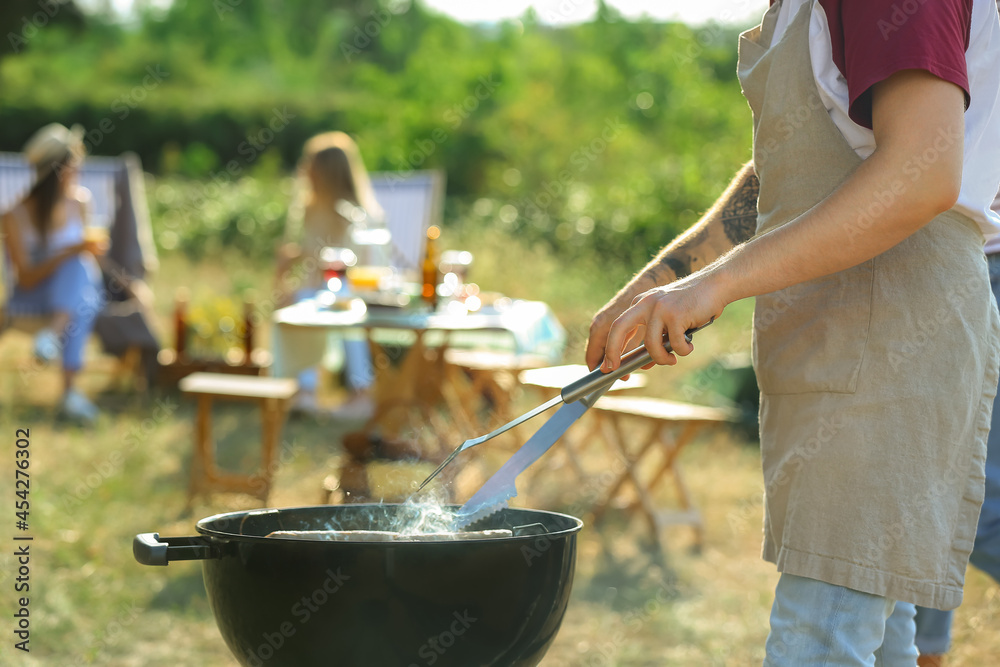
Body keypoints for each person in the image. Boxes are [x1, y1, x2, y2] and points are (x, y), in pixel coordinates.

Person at [586, 1, 1000, 663]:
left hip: (888, 346)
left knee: (819, 641)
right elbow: (802, 163)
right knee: (881, 639)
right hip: (836, 347)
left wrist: (712, 286)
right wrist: (672, 274)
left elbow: (922, 169)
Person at [911, 191, 1000, 667]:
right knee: (929, 498)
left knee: (976, 506)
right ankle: (923, 654)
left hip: (978, 267)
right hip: (931, 266)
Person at [1, 123, 107, 423]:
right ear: (56, 170)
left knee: (80, 277)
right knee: (80, 287)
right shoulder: (14, 215)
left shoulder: (82, 202)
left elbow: (93, 258)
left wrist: (81, 253)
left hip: (76, 289)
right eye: (74, 164)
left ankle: (52, 335)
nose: (79, 170)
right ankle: (70, 393)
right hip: (33, 296)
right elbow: (25, 278)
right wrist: (68, 252)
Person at [276, 131, 385, 416]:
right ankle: (305, 388)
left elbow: (363, 265)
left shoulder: (356, 215)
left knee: (349, 315)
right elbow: (306, 259)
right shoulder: (309, 209)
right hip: (315, 290)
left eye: (311, 166)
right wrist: (288, 267)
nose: (305, 172)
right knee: (299, 305)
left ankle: (361, 391)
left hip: (352, 292)